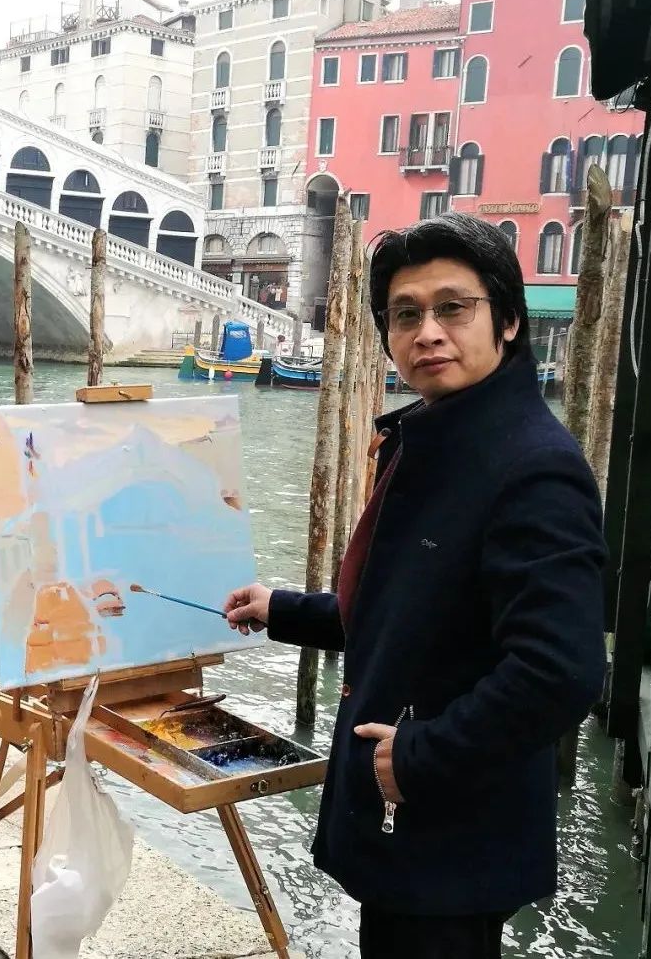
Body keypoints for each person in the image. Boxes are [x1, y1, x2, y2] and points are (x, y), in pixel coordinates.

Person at [224, 213, 606, 959]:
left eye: (452, 308)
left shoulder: (533, 468)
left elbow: (560, 670)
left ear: (508, 321)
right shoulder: (440, 439)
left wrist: (420, 756)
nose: (427, 332)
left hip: (449, 831)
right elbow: (413, 613)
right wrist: (283, 611)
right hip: (412, 828)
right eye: (405, 315)